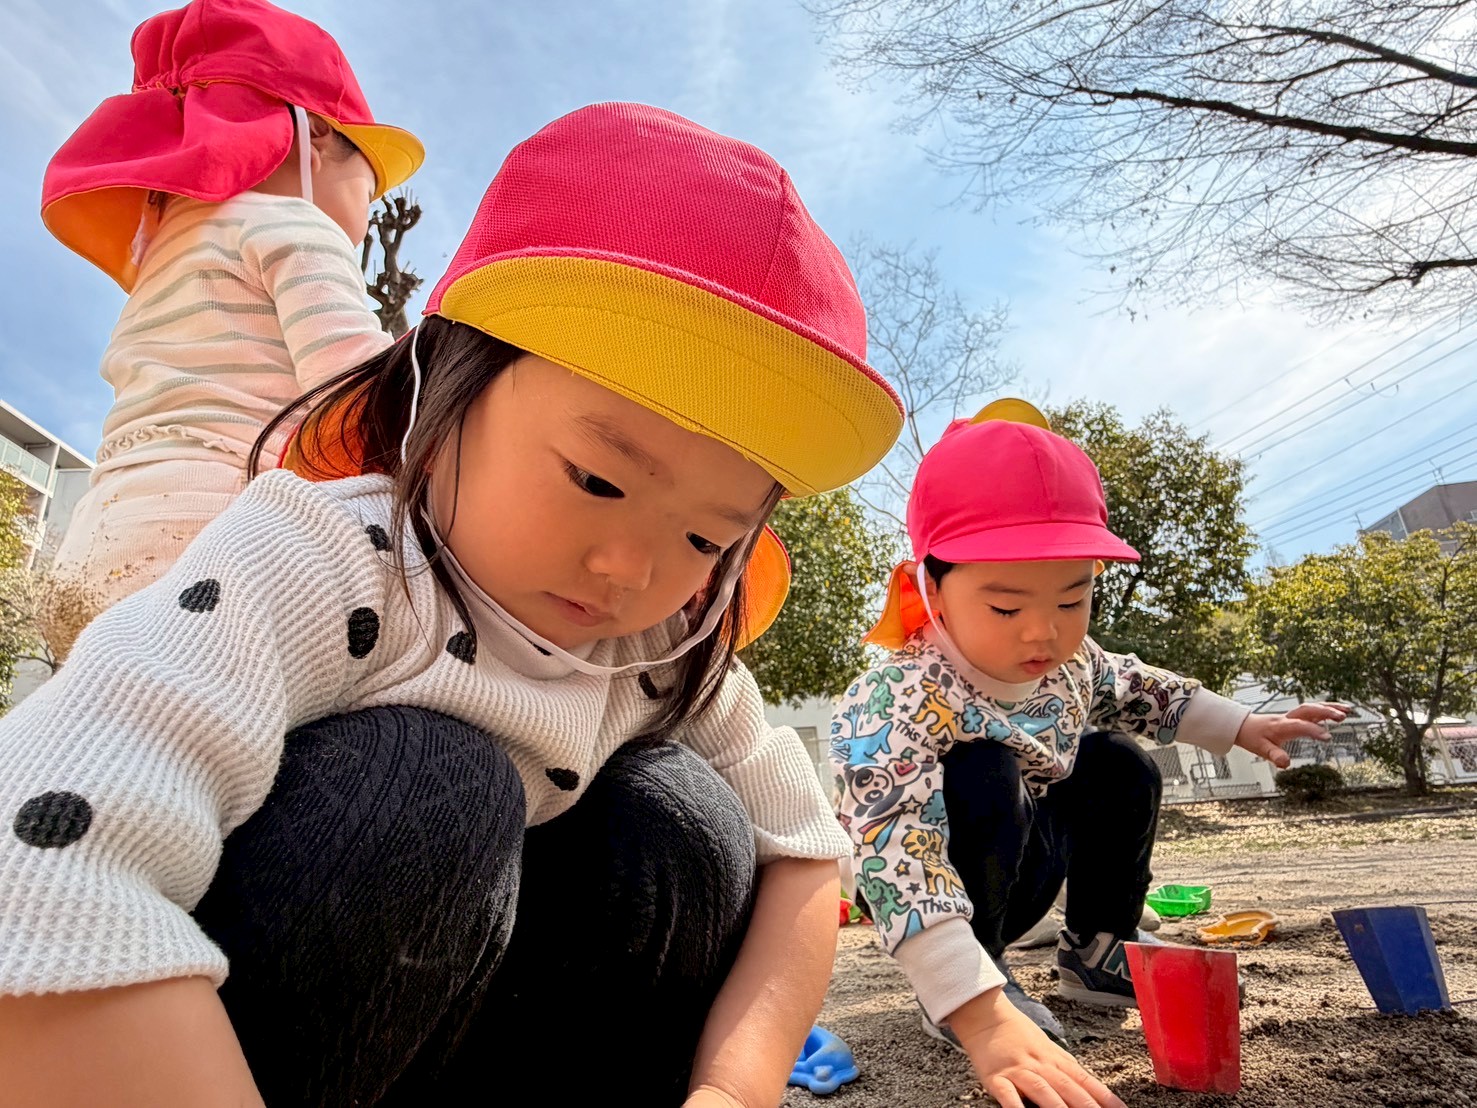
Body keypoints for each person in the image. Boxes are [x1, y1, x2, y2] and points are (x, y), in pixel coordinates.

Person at [0, 102, 904, 1107]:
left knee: (679, 817)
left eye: (706, 538)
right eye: (598, 480)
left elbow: (805, 853)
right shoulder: (325, 559)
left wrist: (734, 1088)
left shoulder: (659, 645)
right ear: (444, 390)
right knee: (428, 777)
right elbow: (41, 857)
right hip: (251, 1028)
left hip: (458, 1028)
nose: (629, 569)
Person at [830, 399, 1344, 1108]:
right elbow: (893, 847)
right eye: (1006, 607)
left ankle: (1099, 948)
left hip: (1034, 859)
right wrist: (971, 1004)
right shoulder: (899, 695)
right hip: (943, 890)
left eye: (1072, 600)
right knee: (983, 768)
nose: (1041, 632)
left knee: (1115, 759)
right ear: (932, 589)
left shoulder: (1071, 665)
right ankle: (976, 979)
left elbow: (1141, 689)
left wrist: (1242, 724)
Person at [41, 0, 423, 622]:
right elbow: (356, 385)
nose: (368, 210)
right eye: (369, 185)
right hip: (220, 533)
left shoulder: (164, 258)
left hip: (99, 537)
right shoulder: (294, 224)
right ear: (316, 133)